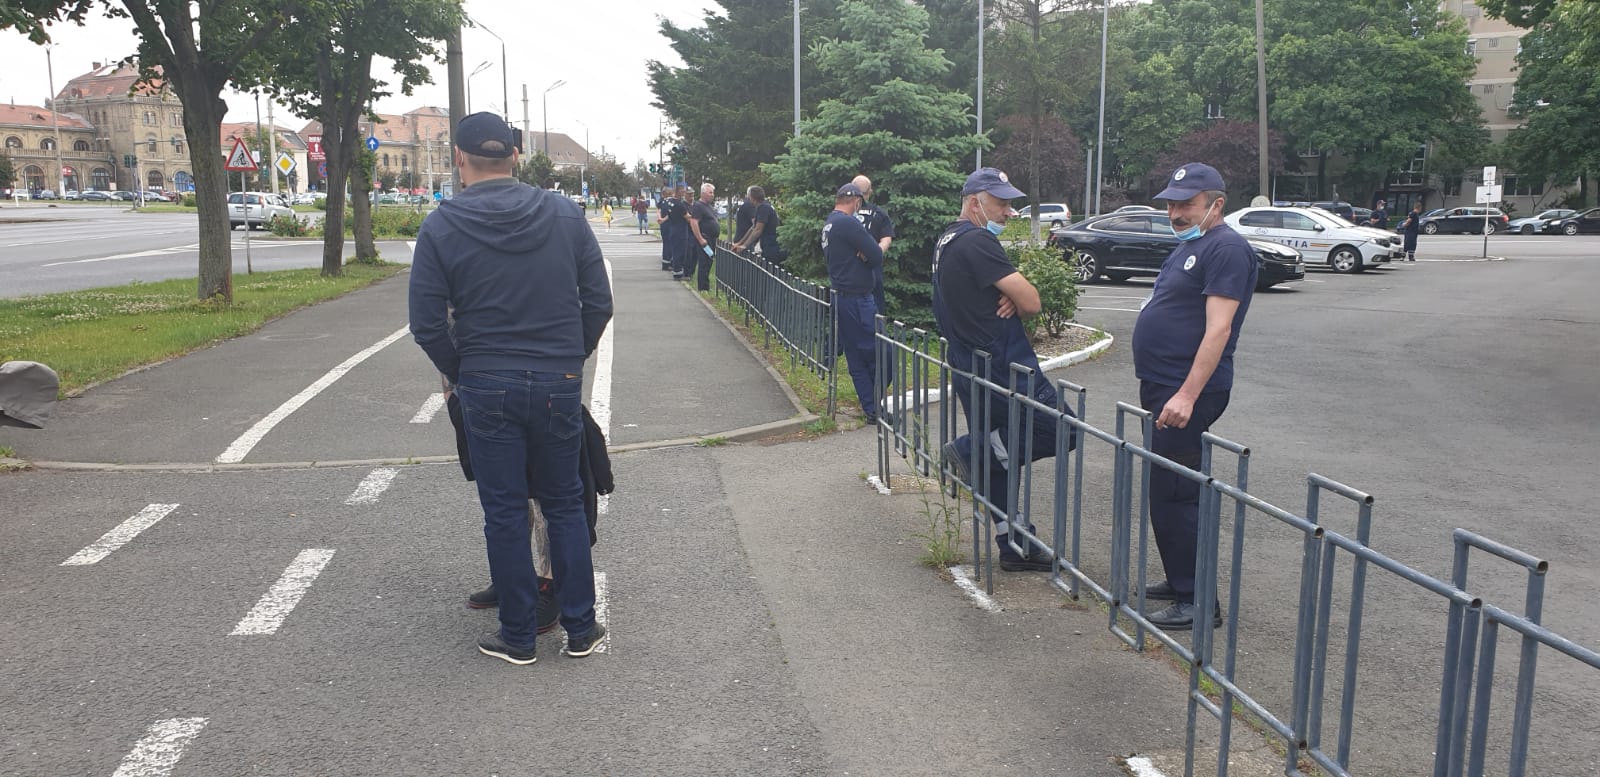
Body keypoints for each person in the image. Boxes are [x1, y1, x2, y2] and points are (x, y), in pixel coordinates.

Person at [408, 112, 613, 665]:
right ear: (516, 156)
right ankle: (581, 628)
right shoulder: (565, 215)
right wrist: (569, 358)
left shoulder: (441, 226)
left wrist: (464, 371)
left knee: (503, 510)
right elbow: (598, 301)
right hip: (556, 380)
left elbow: (426, 322)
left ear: (459, 158)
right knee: (564, 503)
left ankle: (518, 636)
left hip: (485, 381)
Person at [1131, 162, 1258, 631]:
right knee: (1166, 489)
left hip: (1187, 391)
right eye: (1171, 204)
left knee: (1178, 494)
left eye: (1186, 204)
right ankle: (1180, 576)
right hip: (1165, 384)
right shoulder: (1194, 245)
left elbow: (1218, 329)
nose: (1176, 213)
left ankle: (1197, 600)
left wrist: (1186, 395)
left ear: (1216, 204)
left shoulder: (1227, 249)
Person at [933, 167, 1073, 573]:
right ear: (974, 202)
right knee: (1061, 429)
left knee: (1000, 452)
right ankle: (967, 452)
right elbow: (1032, 302)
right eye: (1001, 203)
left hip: (970, 361)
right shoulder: (977, 240)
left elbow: (992, 295)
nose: (1009, 212)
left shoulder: (947, 238)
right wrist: (1017, 297)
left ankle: (1013, 543)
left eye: (1011, 204)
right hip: (1003, 363)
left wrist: (1007, 294)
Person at [824, 181, 888, 425]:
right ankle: (875, 402)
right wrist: (868, 254)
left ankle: (872, 409)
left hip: (841, 297)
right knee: (883, 353)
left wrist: (865, 254)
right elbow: (876, 255)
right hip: (858, 300)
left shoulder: (830, 222)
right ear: (857, 201)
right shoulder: (848, 223)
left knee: (856, 357)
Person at [852, 175, 896, 315]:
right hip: (871, 272)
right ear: (870, 191)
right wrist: (874, 253)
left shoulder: (844, 212)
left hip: (847, 271)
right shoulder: (879, 213)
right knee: (875, 314)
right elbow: (886, 239)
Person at [731, 185, 785, 262]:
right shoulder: (760, 208)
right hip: (767, 246)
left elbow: (758, 230)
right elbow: (753, 227)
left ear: (752, 197)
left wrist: (744, 246)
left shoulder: (764, 208)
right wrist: (740, 243)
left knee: (770, 267)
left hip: (773, 246)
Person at [683, 182, 719, 291]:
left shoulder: (708, 206)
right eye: (710, 193)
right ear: (703, 193)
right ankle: (703, 288)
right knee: (704, 263)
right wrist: (700, 239)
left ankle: (705, 286)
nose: (712, 195)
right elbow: (694, 222)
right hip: (705, 238)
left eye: (713, 193)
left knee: (709, 262)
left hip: (711, 238)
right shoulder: (699, 206)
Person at [658, 184, 686, 272]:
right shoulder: (671, 202)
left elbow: (658, 210)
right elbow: (670, 214)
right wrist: (663, 219)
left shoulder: (662, 202)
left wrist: (660, 218)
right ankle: (669, 263)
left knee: (666, 244)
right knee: (670, 245)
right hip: (669, 224)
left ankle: (665, 263)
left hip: (664, 225)